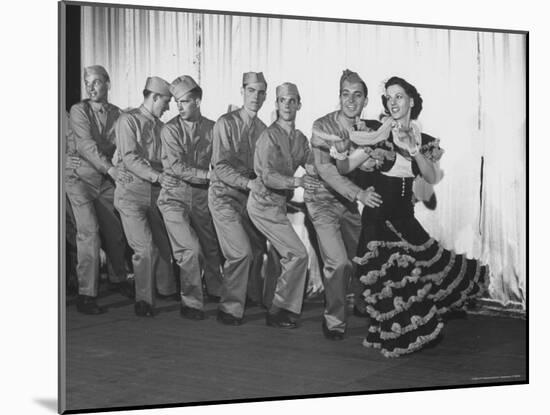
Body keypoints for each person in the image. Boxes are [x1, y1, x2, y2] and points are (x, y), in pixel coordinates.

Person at [334, 76, 489, 357]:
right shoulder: (375, 133)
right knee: (392, 283)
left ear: (411, 101)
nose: (393, 102)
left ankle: (401, 333)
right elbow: (345, 168)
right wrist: (342, 154)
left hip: (405, 220)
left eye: (399, 97)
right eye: (389, 97)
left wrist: (415, 150)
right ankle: (399, 337)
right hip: (378, 223)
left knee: (427, 272)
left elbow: (430, 176)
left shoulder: (424, 140)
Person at [304, 69, 381, 340]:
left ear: (365, 100)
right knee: (337, 263)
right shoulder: (321, 126)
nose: (351, 101)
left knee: (363, 255)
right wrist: (358, 194)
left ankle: (362, 303)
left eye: (357, 95)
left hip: (348, 204)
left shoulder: (367, 129)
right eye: (346, 95)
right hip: (321, 201)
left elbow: (369, 162)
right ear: (339, 97)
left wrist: (372, 167)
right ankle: (334, 322)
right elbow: (326, 171)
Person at [247, 82, 322, 328]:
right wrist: (296, 181)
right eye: (282, 100)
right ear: (276, 104)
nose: (287, 105)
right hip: (262, 205)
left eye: (292, 100)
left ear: (299, 104)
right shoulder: (268, 137)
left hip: (277, 206)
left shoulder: (300, 139)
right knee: (297, 254)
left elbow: (312, 164)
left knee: (281, 255)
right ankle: (280, 310)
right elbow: (266, 176)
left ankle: (272, 301)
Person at [65, 65, 134, 315]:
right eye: (87, 82)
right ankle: (87, 294)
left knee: (115, 230)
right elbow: (85, 146)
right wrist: (112, 170)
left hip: (104, 180)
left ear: (108, 83)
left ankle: (118, 279)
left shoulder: (117, 114)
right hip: (79, 178)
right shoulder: (78, 110)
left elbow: (125, 146)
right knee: (89, 232)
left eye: (95, 82)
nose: (90, 87)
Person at [157, 75, 223, 320]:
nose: (179, 107)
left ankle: (216, 290)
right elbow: (176, 167)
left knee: (211, 246)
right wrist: (208, 175)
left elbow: (219, 160)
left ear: (198, 101)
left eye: (184, 102)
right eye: (177, 102)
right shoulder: (170, 129)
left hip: (201, 197)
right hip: (174, 197)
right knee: (190, 250)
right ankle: (191, 302)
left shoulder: (213, 128)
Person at [114, 76, 179, 317]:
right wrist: (159, 177)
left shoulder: (162, 128)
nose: (169, 107)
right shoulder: (127, 121)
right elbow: (130, 158)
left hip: (154, 193)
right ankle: (144, 300)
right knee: (145, 248)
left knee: (164, 245)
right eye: (167, 101)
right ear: (154, 97)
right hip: (131, 194)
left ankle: (165, 289)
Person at [208, 72, 268, 325]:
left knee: (256, 249)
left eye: (261, 92)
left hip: (249, 200)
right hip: (224, 196)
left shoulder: (264, 130)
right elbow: (220, 166)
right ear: (242, 91)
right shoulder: (225, 123)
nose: (256, 96)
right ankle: (229, 308)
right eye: (251, 90)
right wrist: (248, 182)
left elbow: (266, 168)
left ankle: (250, 295)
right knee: (240, 252)